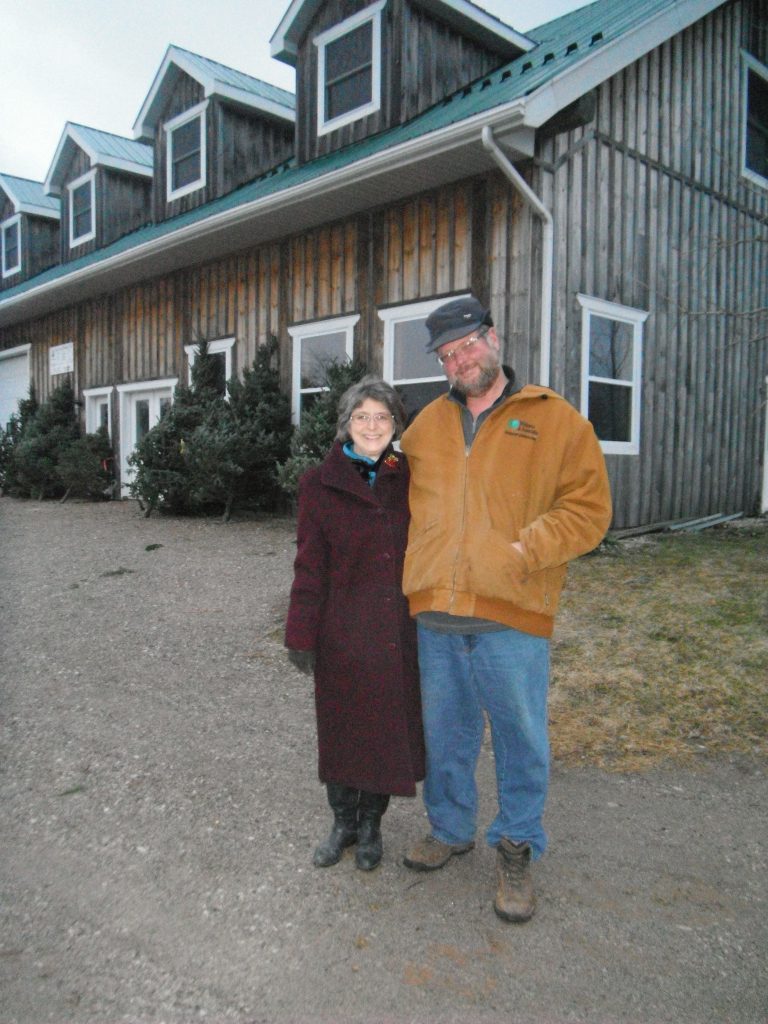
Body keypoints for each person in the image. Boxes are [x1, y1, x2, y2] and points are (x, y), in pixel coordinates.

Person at [399, 295, 612, 922]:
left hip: (512, 615)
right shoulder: (424, 427)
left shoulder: (555, 419)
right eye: (447, 354)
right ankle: (450, 828)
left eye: (467, 345)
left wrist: (524, 551)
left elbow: (589, 509)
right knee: (446, 736)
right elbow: (382, 488)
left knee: (521, 739)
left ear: (493, 339)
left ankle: (516, 843)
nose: (460, 359)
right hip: (437, 615)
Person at [285, 376, 425, 872]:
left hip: (394, 629)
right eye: (362, 417)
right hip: (340, 632)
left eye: (382, 417)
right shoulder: (318, 484)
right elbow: (309, 563)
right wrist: (300, 633)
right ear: (346, 425)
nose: (372, 426)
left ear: (395, 425)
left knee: (385, 733)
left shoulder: (410, 476)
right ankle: (343, 822)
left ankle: (372, 826)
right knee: (342, 732)